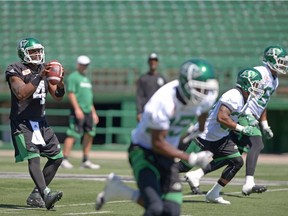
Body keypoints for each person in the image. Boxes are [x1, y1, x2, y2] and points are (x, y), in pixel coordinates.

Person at [96, 58, 219, 215]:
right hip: (144, 150)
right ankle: (120, 190)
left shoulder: (203, 98)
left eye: (206, 90)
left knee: (171, 211)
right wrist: (190, 158)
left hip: (167, 152)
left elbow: (204, 110)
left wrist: (199, 129)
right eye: (199, 89)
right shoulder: (163, 102)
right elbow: (157, 143)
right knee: (155, 207)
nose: (203, 95)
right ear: (184, 83)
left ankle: (119, 190)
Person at [184, 45, 288, 197]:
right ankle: (249, 183)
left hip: (252, 115)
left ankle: (197, 175)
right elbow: (245, 88)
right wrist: (241, 117)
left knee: (233, 156)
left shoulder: (275, 80)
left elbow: (263, 103)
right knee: (257, 144)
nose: (283, 65)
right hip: (245, 113)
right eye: (280, 61)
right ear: (271, 59)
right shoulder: (260, 72)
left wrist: (264, 124)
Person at [177, 68, 265, 204]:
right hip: (204, 136)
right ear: (246, 83)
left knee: (237, 162)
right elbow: (221, 117)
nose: (258, 87)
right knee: (183, 167)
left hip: (220, 138)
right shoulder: (234, 95)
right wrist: (241, 128)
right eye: (255, 84)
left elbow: (237, 113)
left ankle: (214, 193)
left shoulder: (245, 97)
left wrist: (249, 118)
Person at [5, 37, 65, 210]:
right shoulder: (15, 69)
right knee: (34, 157)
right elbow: (21, 93)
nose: (37, 54)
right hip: (22, 122)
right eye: (32, 51)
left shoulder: (43, 68)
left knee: (57, 157)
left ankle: (36, 195)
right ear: (23, 53)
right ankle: (46, 194)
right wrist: (40, 76)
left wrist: (60, 83)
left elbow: (58, 96)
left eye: (38, 51)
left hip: (41, 122)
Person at [60, 55, 100, 169]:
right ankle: (65, 159)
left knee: (90, 134)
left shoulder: (86, 78)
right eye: (83, 64)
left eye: (86, 65)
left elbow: (89, 97)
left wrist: (93, 112)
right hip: (78, 111)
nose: (85, 67)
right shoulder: (73, 77)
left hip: (88, 112)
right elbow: (71, 93)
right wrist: (77, 109)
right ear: (78, 64)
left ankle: (85, 160)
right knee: (72, 134)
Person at [136, 52, 167, 122]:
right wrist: (139, 112)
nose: (153, 62)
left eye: (155, 60)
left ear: (157, 62)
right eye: (151, 60)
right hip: (146, 111)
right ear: (148, 62)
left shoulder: (162, 78)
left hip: (159, 111)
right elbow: (139, 96)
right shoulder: (143, 79)